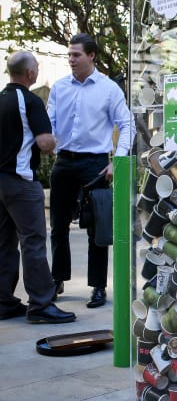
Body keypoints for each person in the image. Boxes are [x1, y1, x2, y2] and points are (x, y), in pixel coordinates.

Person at [48, 33, 132, 308]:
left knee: (97, 228)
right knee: (58, 225)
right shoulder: (59, 88)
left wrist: (116, 163)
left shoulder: (109, 89)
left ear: (91, 55)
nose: (71, 60)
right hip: (63, 162)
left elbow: (127, 124)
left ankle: (98, 286)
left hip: (96, 164)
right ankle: (57, 279)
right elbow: (50, 122)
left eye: (76, 55)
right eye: (69, 55)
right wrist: (48, 140)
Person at [0, 51, 76, 323]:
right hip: (21, 182)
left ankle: (4, 303)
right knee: (32, 242)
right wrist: (57, 140)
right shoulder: (29, 101)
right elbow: (45, 142)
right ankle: (42, 305)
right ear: (30, 73)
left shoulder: (1, 98)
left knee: (4, 243)